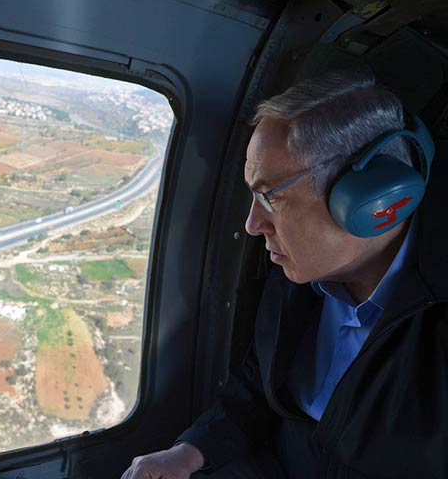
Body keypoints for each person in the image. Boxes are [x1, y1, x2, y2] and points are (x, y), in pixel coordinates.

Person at [121, 68, 448, 478]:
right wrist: (190, 452)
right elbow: (258, 384)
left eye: (271, 197)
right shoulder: (298, 272)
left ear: (370, 197)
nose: (252, 225)